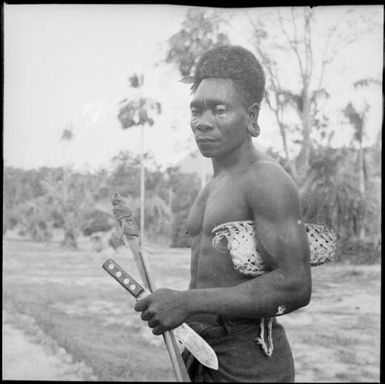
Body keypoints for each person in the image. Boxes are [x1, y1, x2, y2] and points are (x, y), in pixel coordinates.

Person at [134, 45, 311, 382]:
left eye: (219, 110)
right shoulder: (213, 185)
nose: (202, 123)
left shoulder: (266, 179)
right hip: (198, 345)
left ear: (252, 117)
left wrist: (187, 302)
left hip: (247, 360)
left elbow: (295, 285)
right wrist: (180, 307)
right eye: (196, 110)